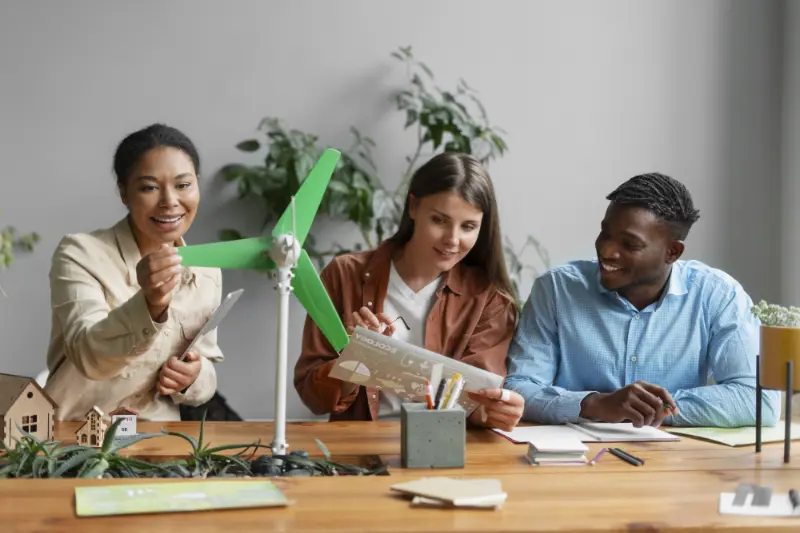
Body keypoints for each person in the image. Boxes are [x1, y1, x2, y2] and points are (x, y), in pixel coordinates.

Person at [504, 172, 780, 428]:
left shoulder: (717, 295)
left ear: (672, 252)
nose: (607, 251)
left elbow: (760, 400)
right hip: (577, 456)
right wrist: (596, 404)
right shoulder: (556, 290)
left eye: (629, 244)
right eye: (605, 234)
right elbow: (518, 388)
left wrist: (650, 408)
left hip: (675, 458)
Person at [294, 152, 524, 431]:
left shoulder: (490, 298)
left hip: (443, 445)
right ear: (413, 207)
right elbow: (312, 396)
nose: (452, 240)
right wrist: (356, 359)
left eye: (468, 227)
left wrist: (496, 411)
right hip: (358, 446)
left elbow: (476, 404)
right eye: (439, 220)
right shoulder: (343, 275)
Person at [45, 123, 224, 421]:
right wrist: (150, 305)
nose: (170, 201)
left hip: (157, 435)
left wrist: (192, 377)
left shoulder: (206, 271)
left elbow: (205, 369)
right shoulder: (79, 254)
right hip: (74, 434)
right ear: (123, 192)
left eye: (183, 185)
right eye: (149, 187)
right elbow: (88, 357)